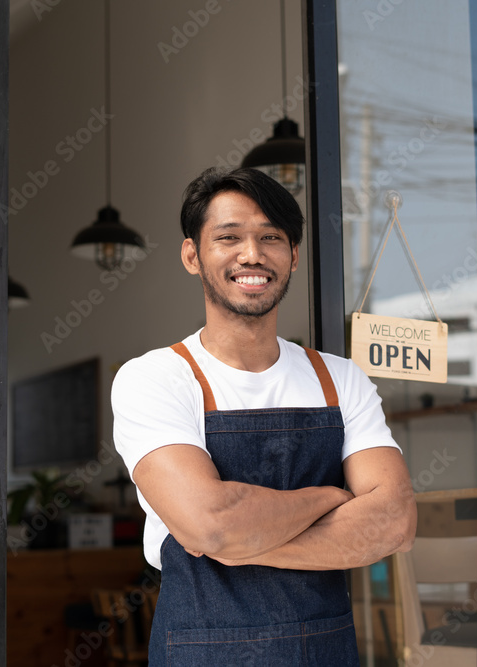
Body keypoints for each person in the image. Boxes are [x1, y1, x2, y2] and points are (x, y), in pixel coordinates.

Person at [111, 166, 417, 666]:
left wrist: (236, 543)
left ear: (293, 256)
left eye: (270, 237)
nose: (251, 255)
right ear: (193, 255)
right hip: (204, 653)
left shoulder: (339, 379)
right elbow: (210, 523)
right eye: (228, 237)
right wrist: (331, 498)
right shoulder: (156, 377)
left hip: (326, 650)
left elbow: (395, 522)